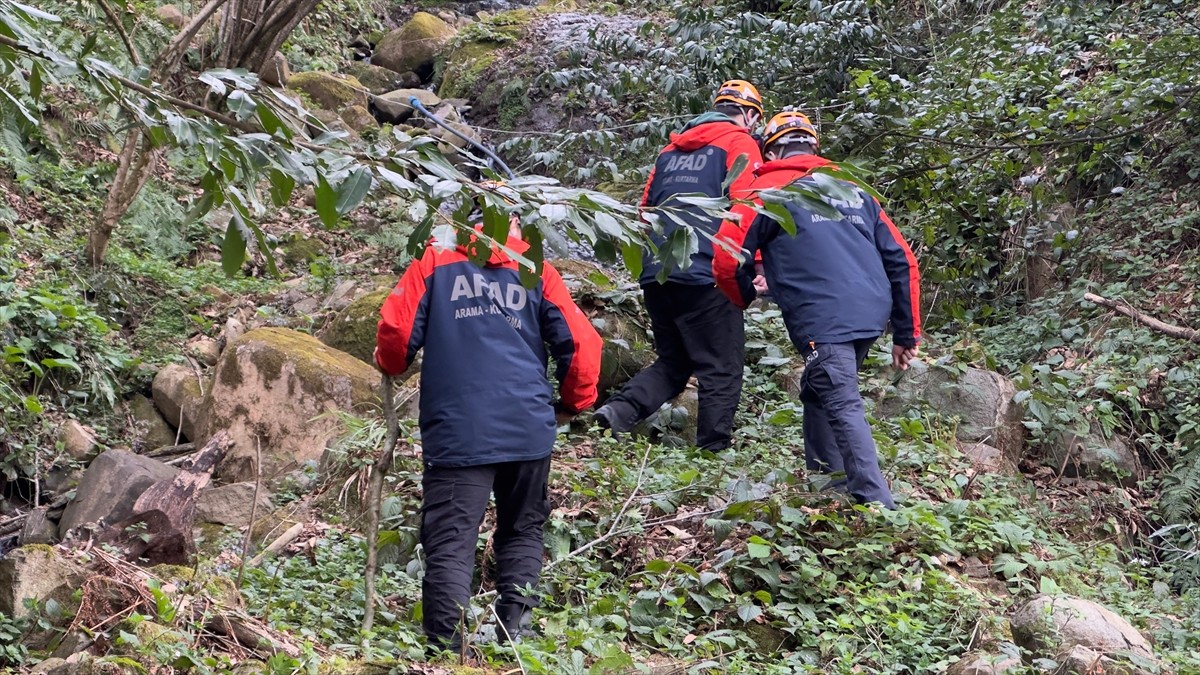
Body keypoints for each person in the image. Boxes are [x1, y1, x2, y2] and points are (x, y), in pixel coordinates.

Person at [374, 183, 603, 654]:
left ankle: (445, 650)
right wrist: (573, 402)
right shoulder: (536, 269)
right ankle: (513, 636)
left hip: (459, 431)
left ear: (463, 219)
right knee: (521, 530)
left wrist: (389, 363)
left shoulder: (434, 261)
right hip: (527, 427)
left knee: (451, 539)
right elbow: (582, 346)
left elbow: (396, 333)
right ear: (512, 220)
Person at [713, 111, 922, 508]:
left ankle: (877, 504)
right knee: (819, 388)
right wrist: (905, 332)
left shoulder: (764, 190)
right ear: (813, 147)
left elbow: (725, 257)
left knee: (841, 398)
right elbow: (902, 260)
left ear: (770, 150)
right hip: (869, 311)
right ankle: (828, 481)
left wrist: (742, 297)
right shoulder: (852, 189)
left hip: (822, 315)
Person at [592, 80, 765, 451]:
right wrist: (758, 266)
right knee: (721, 368)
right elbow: (748, 208)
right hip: (707, 272)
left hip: (658, 273)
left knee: (674, 361)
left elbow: (644, 213)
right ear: (749, 115)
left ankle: (619, 411)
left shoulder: (669, 152)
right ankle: (712, 453)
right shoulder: (739, 143)